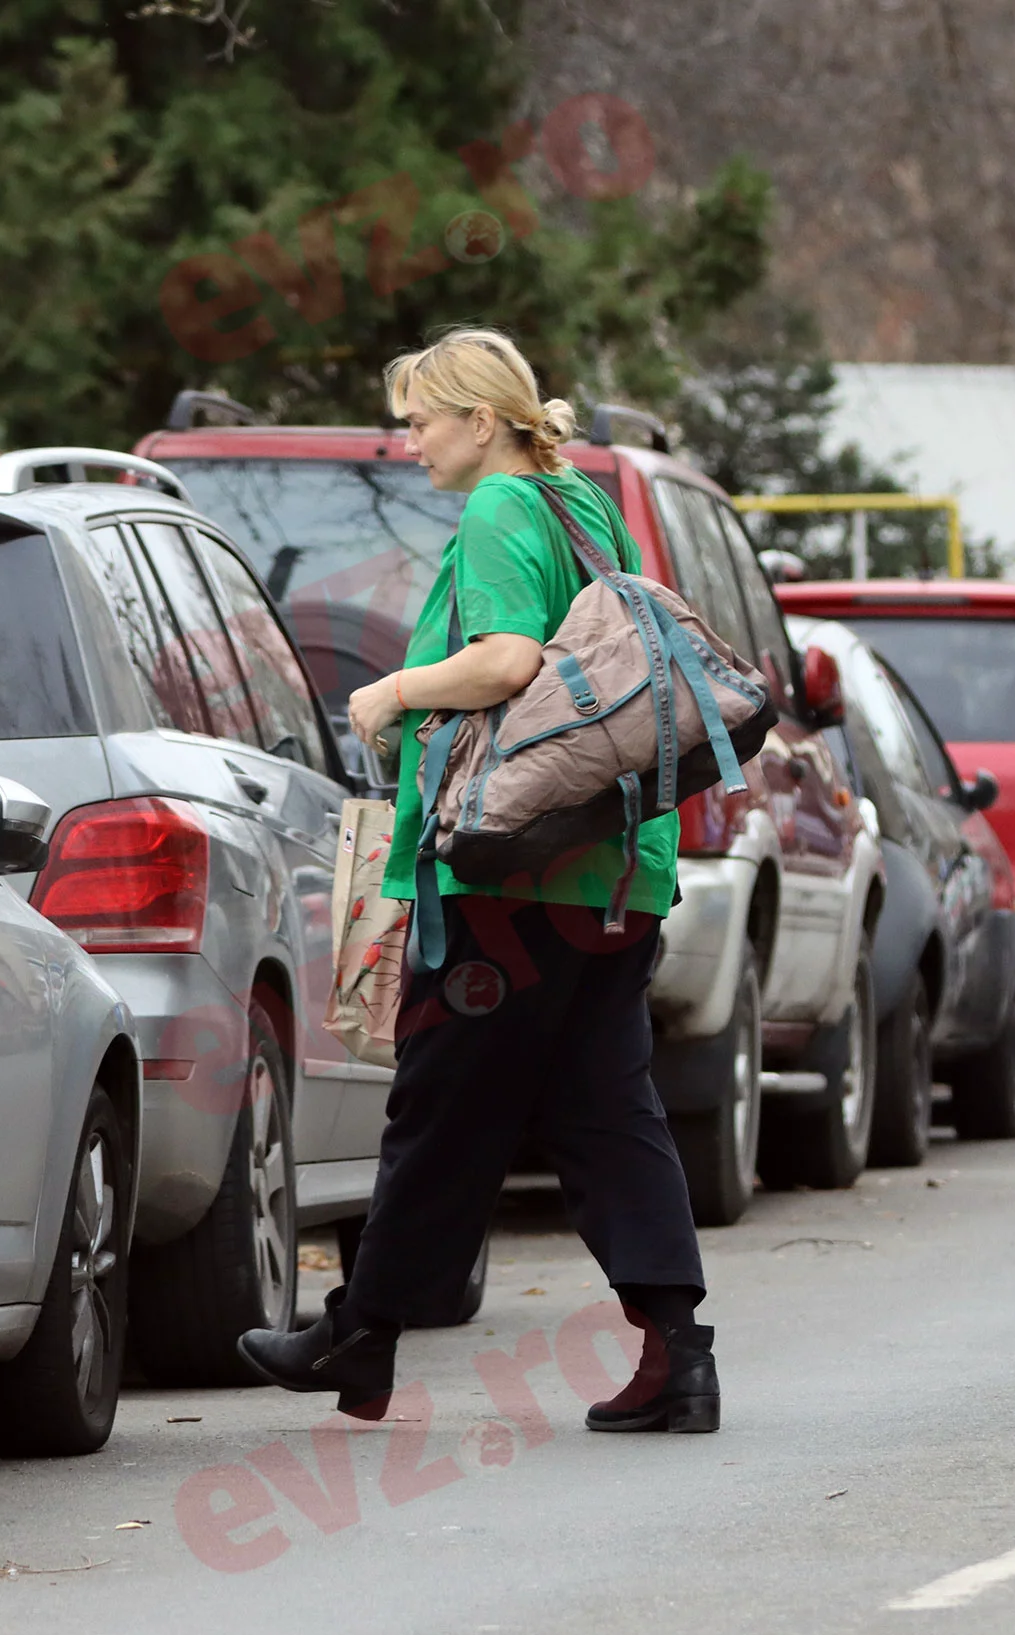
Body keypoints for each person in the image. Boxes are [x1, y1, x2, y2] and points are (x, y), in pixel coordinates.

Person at [239, 327, 717, 1433]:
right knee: (605, 1109)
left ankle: (359, 1335)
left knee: (441, 1106)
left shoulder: (504, 509)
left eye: (421, 419)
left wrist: (395, 691)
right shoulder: (581, 505)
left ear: (483, 420)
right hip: (609, 872)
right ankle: (678, 1352)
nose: (408, 441)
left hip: (516, 874)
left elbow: (505, 660)